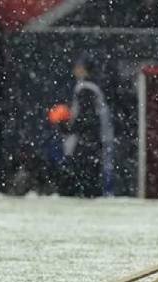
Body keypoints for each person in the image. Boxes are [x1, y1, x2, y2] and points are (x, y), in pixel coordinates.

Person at [57, 53, 115, 197]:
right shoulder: (91, 86)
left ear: (84, 69)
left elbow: (86, 117)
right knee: (90, 175)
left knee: (82, 176)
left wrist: (66, 126)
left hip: (89, 138)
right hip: (95, 137)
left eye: (78, 66)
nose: (75, 69)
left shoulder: (86, 87)